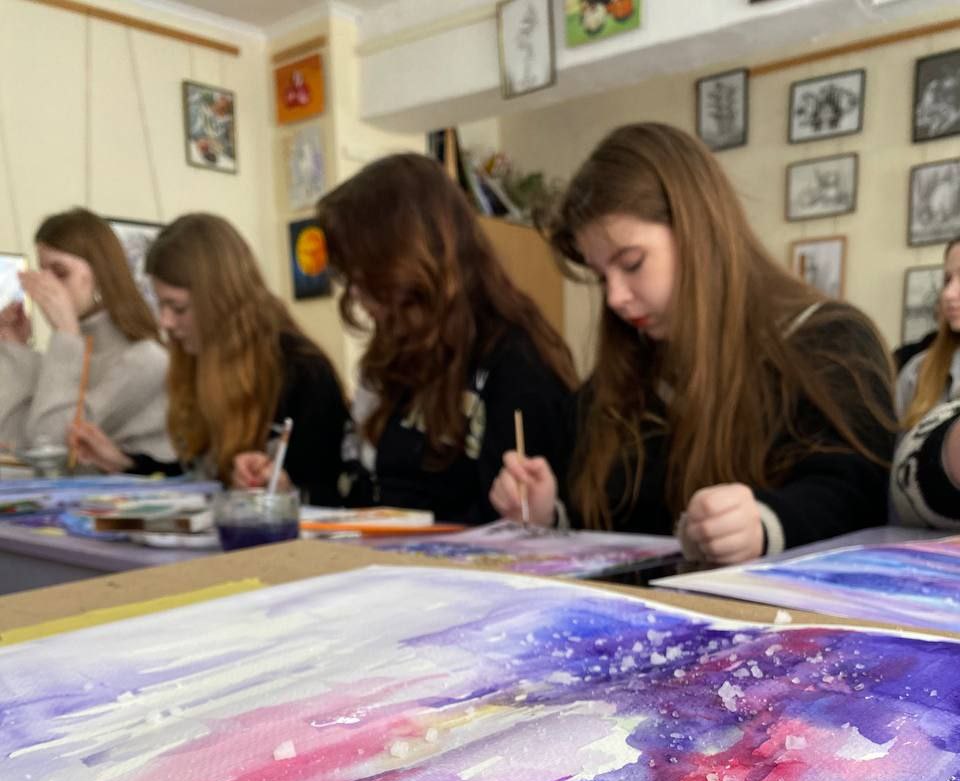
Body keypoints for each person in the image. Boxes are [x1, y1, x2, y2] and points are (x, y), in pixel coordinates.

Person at [490, 122, 896, 563]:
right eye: (602, 276)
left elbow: (857, 492)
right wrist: (550, 514)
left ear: (698, 232)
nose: (615, 298)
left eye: (632, 263)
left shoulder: (828, 341)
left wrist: (764, 525)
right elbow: (618, 520)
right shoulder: (626, 368)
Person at [315, 153, 577, 524]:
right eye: (349, 276)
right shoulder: (396, 352)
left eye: (365, 274)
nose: (355, 293)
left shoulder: (518, 361)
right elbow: (366, 486)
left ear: (409, 261)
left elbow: (522, 521)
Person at [69, 213, 348, 506]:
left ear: (221, 301)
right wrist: (124, 462)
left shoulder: (302, 370)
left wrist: (282, 489)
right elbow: (200, 479)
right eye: (161, 305)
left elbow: (333, 497)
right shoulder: (195, 360)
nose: (165, 322)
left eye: (178, 308)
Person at [0, 208, 170, 461]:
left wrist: (66, 333)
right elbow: (11, 443)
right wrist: (17, 350)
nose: (49, 287)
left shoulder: (145, 360)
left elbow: (53, 444)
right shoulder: (64, 356)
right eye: (43, 273)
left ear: (100, 274)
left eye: (60, 273)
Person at [890, 238, 960, 528]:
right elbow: (893, 491)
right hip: (919, 542)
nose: (949, 294)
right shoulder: (917, 372)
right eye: (947, 280)